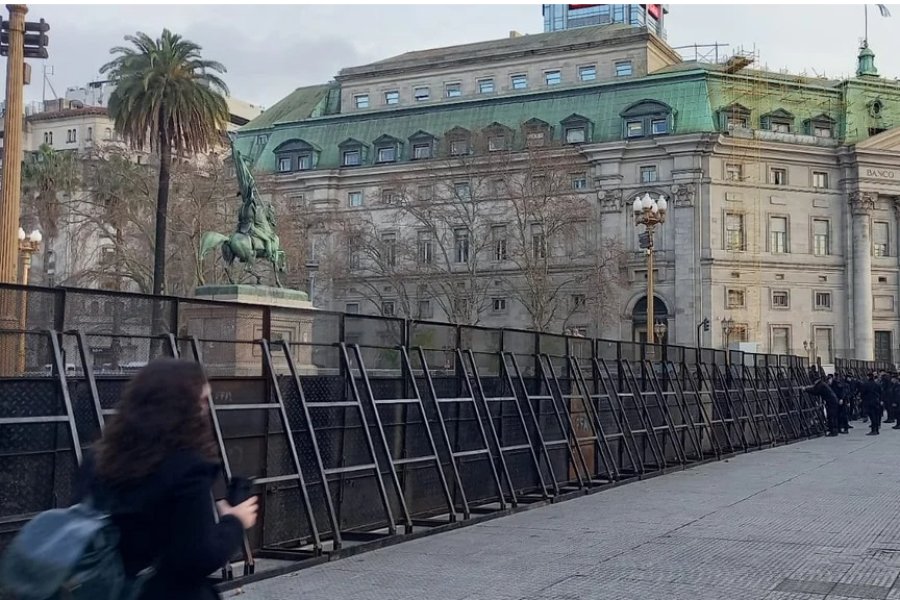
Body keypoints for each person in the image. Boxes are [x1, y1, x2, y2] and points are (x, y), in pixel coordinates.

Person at [76, 359, 258, 600]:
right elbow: (196, 558)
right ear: (182, 407)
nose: (206, 409)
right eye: (202, 400)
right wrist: (234, 521)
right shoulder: (187, 468)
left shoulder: (96, 459)